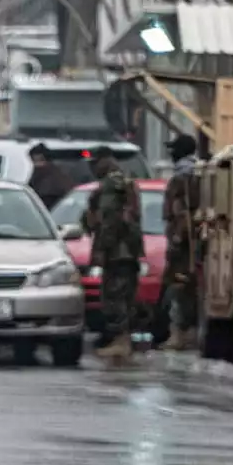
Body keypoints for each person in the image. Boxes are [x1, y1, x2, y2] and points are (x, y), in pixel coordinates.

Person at [81, 147, 145, 364]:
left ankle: (120, 342)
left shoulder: (110, 186)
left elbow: (108, 222)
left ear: (104, 162)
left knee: (114, 295)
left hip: (118, 251)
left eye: (94, 163)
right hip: (128, 250)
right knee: (125, 295)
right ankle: (122, 340)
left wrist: (100, 250)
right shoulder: (125, 180)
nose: (92, 169)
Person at [161, 133, 201, 351]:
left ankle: (180, 334)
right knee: (188, 287)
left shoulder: (183, 177)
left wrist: (178, 237)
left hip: (183, 244)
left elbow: (183, 212)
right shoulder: (196, 173)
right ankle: (188, 332)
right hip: (189, 241)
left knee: (179, 286)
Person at [28, 143, 73, 211]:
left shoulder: (54, 177)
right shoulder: (38, 175)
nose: (37, 164)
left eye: (40, 160)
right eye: (34, 161)